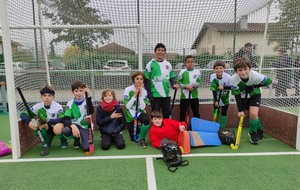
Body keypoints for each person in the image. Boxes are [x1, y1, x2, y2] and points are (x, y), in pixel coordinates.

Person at [230, 57, 272, 145]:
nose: (243, 72)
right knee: (253, 114)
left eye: (245, 69)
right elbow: (236, 94)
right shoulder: (233, 79)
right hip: (241, 96)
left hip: (254, 93)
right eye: (240, 70)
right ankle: (259, 128)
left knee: (253, 113)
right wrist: (240, 110)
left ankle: (252, 132)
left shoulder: (255, 75)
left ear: (250, 69)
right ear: (236, 71)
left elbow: (268, 81)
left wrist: (255, 86)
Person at [20, 85, 67, 156]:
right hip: (46, 127)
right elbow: (23, 114)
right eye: (44, 95)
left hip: (56, 126)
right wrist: (29, 122)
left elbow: (61, 119)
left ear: (53, 97)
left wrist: (47, 120)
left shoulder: (57, 106)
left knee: (57, 128)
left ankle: (63, 139)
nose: (47, 97)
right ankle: (48, 140)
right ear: (41, 97)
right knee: (38, 129)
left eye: (49, 95)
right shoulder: (38, 106)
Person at [144, 43, 179, 118]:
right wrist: (149, 93)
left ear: (165, 52)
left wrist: (174, 84)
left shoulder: (168, 64)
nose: (160, 52)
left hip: (166, 94)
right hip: (154, 95)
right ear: (155, 51)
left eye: (162, 50)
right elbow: (146, 80)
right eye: (158, 50)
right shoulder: (150, 64)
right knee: (155, 115)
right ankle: (156, 129)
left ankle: (166, 129)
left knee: (167, 114)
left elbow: (172, 76)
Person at [62, 81, 94, 154]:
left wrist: (88, 96)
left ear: (83, 91)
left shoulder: (88, 100)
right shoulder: (70, 103)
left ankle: (85, 136)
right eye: (76, 91)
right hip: (75, 125)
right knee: (66, 131)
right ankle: (76, 138)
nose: (79, 93)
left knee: (87, 148)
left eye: (81, 90)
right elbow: (66, 119)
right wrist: (72, 126)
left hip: (86, 126)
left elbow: (91, 111)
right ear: (72, 92)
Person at [124, 71, 150, 148]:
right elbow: (128, 106)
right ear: (133, 80)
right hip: (130, 114)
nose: (139, 80)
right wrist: (135, 95)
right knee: (133, 138)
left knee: (146, 119)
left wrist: (141, 95)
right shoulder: (128, 89)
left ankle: (141, 138)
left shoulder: (144, 91)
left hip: (139, 112)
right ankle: (138, 133)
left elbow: (142, 108)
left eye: (141, 79)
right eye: (137, 78)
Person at [177, 55, 202, 123]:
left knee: (196, 112)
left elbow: (199, 82)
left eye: (192, 61)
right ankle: (182, 126)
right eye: (188, 62)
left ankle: (197, 126)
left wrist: (193, 86)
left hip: (194, 96)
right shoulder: (182, 72)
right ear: (185, 63)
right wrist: (186, 86)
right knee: (183, 112)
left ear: (194, 62)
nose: (190, 63)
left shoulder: (197, 71)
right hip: (184, 96)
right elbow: (179, 82)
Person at [210, 60, 231, 128]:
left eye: (220, 68)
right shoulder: (212, 77)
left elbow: (232, 87)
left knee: (224, 112)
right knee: (216, 111)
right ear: (214, 69)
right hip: (216, 97)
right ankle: (215, 126)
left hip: (225, 98)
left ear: (224, 69)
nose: (219, 70)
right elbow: (213, 90)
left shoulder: (228, 77)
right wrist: (216, 100)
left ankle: (222, 127)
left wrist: (224, 87)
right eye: (217, 68)